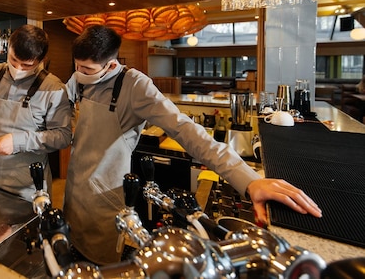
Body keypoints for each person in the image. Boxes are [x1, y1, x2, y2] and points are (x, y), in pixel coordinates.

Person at [63, 24, 322, 265]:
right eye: (77, 67)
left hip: (104, 195)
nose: (79, 74)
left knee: (99, 267)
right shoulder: (79, 80)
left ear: (111, 65)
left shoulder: (135, 85)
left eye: (87, 70)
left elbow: (186, 130)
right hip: (74, 191)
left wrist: (248, 179)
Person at [0, 24, 72, 200]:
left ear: (41, 60)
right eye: (12, 60)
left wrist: (17, 142)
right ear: (8, 49)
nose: (18, 69)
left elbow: (62, 136)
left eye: (26, 65)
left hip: (29, 187)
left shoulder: (54, 89)